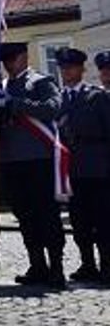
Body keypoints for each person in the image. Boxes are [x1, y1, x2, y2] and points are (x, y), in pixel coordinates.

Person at [0, 41, 66, 289]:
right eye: (5, 60)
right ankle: (37, 264)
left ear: (24, 57)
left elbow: (53, 108)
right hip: (10, 160)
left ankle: (56, 267)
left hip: (38, 159)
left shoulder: (40, 82)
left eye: (12, 58)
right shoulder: (1, 87)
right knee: (25, 217)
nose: (8, 64)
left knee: (46, 215)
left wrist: (18, 105)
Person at [56, 47, 110, 284]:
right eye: (63, 68)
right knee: (80, 222)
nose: (67, 72)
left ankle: (107, 266)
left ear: (82, 69)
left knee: (103, 220)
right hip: (71, 170)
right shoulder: (58, 99)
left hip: (98, 168)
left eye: (71, 68)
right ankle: (87, 264)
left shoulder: (96, 96)